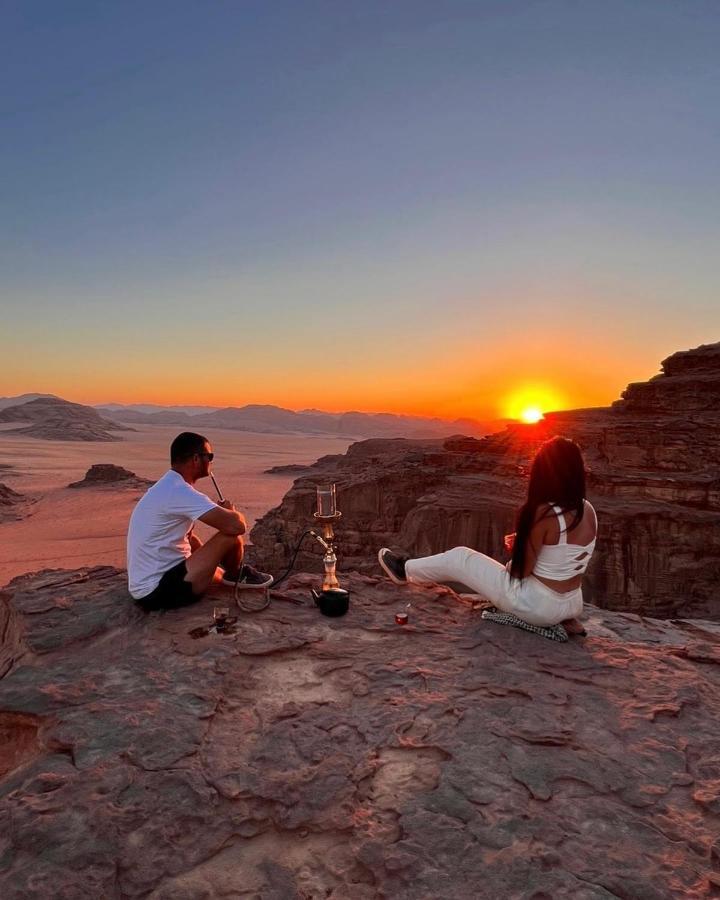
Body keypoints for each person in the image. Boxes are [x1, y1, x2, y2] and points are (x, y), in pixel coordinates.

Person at [378, 436, 597, 632]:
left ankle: (405, 572)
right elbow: (560, 556)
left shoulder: (543, 513)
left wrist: (518, 547)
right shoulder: (588, 510)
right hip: (571, 603)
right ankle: (560, 620)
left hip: (538, 606)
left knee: (460, 557)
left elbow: (521, 572)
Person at [127, 432, 271, 611]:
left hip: (150, 586)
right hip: (159, 591)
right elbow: (236, 526)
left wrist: (210, 561)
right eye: (209, 456)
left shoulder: (167, 486)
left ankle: (230, 575)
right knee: (230, 536)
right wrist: (230, 512)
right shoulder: (179, 491)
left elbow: (188, 538)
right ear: (196, 459)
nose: (211, 461)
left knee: (219, 575)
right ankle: (236, 575)